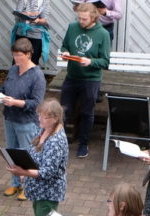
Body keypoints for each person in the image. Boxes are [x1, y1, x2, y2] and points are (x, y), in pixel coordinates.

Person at [8, 99, 68, 216]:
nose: (40, 119)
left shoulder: (56, 140)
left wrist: (24, 171)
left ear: (55, 118)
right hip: (38, 188)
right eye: (39, 115)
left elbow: (48, 172)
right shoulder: (46, 130)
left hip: (48, 190)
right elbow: (34, 153)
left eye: (44, 116)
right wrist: (24, 171)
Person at [58, 2, 111, 159]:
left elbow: (105, 61)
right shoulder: (72, 27)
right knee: (63, 110)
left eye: (84, 19)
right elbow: (64, 46)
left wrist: (90, 62)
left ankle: (83, 144)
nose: (81, 21)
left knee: (87, 112)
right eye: (79, 18)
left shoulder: (102, 33)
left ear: (93, 17)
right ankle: (60, 142)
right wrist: (65, 52)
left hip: (91, 79)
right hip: (72, 76)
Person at [0, 38, 46, 200]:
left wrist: (15, 102)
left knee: (26, 154)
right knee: (11, 152)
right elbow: (4, 88)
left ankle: (29, 186)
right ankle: (15, 183)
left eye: (19, 55)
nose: (16, 58)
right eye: (14, 55)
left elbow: (36, 103)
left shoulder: (37, 75)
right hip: (9, 118)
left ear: (29, 54)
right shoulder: (13, 70)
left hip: (26, 122)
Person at [11, 0, 50, 65]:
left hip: (36, 36)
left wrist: (37, 20)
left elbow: (44, 20)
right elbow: (17, 14)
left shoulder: (44, 1)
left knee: (33, 62)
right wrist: (28, 14)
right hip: (21, 34)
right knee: (17, 62)